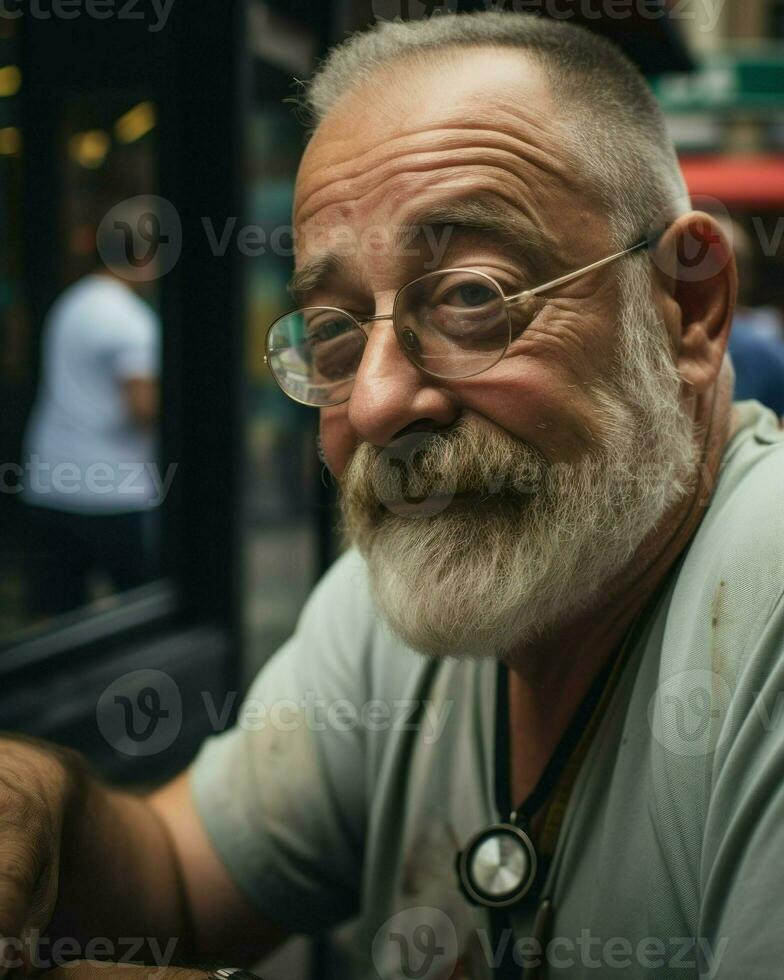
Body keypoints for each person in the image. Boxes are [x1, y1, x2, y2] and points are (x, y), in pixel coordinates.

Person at [2, 12, 784, 980]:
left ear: (687, 309)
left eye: (469, 297)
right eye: (331, 329)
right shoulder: (401, 609)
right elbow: (172, 883)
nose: (372, 403)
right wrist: (44, 807)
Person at [20, 229, 161, 616]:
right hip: (113, 490)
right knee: (141, 613)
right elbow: (143, 407)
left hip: (50, 482)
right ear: (142, 260)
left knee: (55, 620)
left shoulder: (72, 302)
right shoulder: (130, 319)